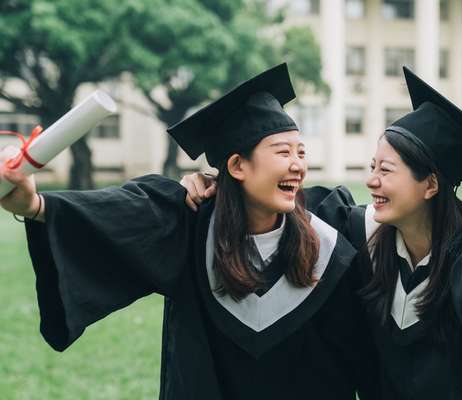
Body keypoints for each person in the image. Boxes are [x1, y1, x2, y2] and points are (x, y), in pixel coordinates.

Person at [0, 64, 379, 400]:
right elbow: (123, 213)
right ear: (237, 165)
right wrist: (36, 207)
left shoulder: (329, 222)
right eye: (283, 153)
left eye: (301, 152)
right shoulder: (189, 222)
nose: (298, 165)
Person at [181, 67, 462, 399]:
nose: (370, 180)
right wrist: (218, 182)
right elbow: (289, 199)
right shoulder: (363, 230)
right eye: (372, 165)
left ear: (430, 185)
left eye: (387, 171)